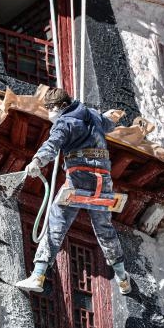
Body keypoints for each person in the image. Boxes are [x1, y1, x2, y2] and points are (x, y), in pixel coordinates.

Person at [15, 87, 134, 295]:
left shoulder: (64, 122)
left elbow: (52, 144)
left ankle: (38, 275)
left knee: (56, 222)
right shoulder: (91, 114)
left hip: (79, 177)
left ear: (61, 106)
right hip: (103, 180)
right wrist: (111, 116)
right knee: (105, 229)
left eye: (51, 108)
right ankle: (123, 278)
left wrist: (37, 161)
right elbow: (107, 123)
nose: (50, 113)